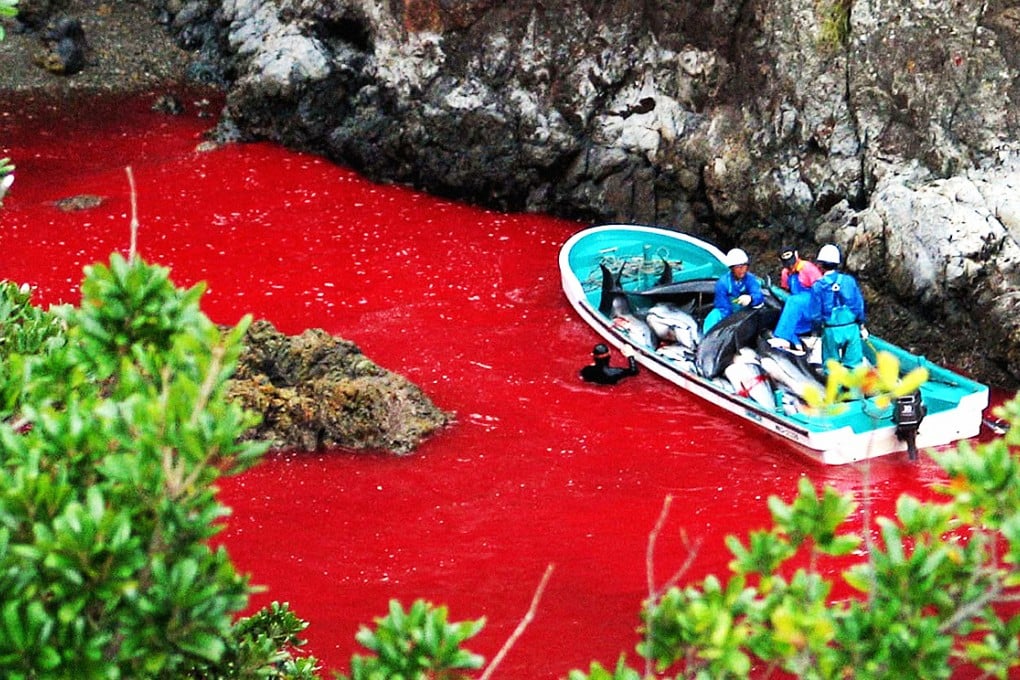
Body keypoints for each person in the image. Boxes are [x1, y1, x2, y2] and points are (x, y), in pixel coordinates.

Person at [808, 244, 867, 368]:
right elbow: (858, 306)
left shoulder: (818, 286)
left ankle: (835, 386)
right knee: (854, 365)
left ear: (820, 265)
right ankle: (852, 386)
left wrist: (815, 335)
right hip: (852, 329)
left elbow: (816, 315)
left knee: (832, 366)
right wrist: (861, 327)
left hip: (831, 331)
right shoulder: (849, 281)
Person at [770, 246, 823, 350]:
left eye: (791, 261)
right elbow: (786, 290)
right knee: (788, 321)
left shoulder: (808, 268)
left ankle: (781, 337)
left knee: (793, 301)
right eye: (786, 263)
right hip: (799, 309)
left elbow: (821, 291)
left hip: (813, 304)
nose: (790, 265)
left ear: (796, 255)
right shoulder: (785, 273)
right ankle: (797, 345)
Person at [703, 248, 765, 332]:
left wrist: (751, 298)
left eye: (745, 267)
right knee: (714, 316)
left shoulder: (750, 279)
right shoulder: (723, 283)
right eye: (739, 267)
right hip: (728, 313)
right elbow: (723, 307)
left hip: (746, 312)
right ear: (732, 268)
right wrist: (731, 323)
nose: (743, 270)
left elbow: (758, 295)